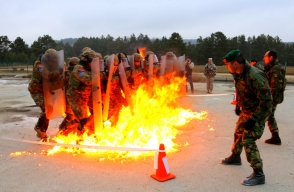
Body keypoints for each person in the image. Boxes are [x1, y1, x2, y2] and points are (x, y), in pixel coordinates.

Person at [221, 50, 272, 186]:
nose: (227, 68)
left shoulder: (255, 76)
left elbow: (267, 102)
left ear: (236, 63)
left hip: (258, 111)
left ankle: (259, 173)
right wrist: (238, 104)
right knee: (238, 131)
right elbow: (240, 89)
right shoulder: (238, 73)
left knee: (248, 139)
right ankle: (235, 156)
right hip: (247, 110)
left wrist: (255, 119)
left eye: (228, 65)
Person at [28, 49, 62, 140]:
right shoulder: (39, 65)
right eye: (52, 61)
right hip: (36, 90)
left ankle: (42, 131)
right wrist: (59, 71)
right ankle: (39, 127)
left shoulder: (48, 64)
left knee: (49, 110)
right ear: (47, 59)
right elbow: (48, 75)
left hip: (44, 90)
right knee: (47, 109)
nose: (53, 63)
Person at [66, 49, 98, 132]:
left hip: (83, 97)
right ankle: (67, 132)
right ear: (86, 61)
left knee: (83, 119)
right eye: (92, 61)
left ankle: (66, 129)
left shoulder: (88, 68)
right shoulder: (79, 69)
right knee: (82, 120)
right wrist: (100, 74)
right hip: (75, 97)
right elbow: (88, 79)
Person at [263, 51, 286, 145]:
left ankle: (249, 135)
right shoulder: (272, 68)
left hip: (272, 97)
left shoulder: (276, 69)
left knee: (264, 114)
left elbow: (275, 86)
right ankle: (275, 136)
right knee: (270, 115)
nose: (264, 58)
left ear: (271, 57)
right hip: (272, 96)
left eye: (265, 56)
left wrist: (267, 97)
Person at [59, 57, 80, 131]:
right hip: (68, 97)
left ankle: (67, 128)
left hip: (75, 97)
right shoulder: (67, 74)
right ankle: (63, 128)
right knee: (71, 115)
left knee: (74, 115)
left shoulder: (75, 73)